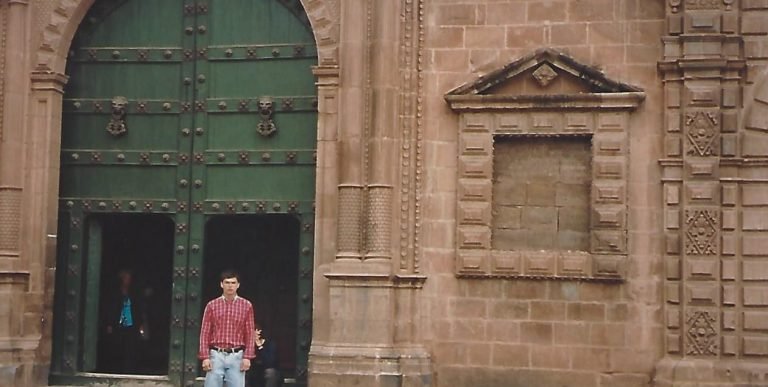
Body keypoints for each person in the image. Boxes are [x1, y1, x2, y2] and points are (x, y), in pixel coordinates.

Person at [199, 270, 257, 387]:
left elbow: (249, 333)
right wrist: (205, 357)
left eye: (233, 283)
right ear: (221, 284)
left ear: (238, 285)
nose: (230, 286)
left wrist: (247, 357)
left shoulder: (246, 305)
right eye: (227, 282)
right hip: (216, 354)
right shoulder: (212, 305)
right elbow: (205, 332)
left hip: (236, 355)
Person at [103, 269, 146, 373]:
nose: (128, 280)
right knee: (117, 347)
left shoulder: (134, 292)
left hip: (132, 324)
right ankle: (116, 369)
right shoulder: (115, 292)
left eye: (129, 278)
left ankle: (129, 369)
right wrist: (109, 323)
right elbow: (111, 308)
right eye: (126, 278)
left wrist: (141, 324)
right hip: (118, 324)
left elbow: (138, 308)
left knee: (131, 348)